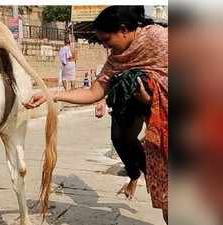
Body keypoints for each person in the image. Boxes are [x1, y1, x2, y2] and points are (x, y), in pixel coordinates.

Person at [24, 6, 168, 223]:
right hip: (158, 135)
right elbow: (94, 91)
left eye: (106, 40)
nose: (104, 46)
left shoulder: (160, 39)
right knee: (168, 194)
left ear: (124, 30)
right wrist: (52, 96)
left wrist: (149, 98)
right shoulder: (116, 60)